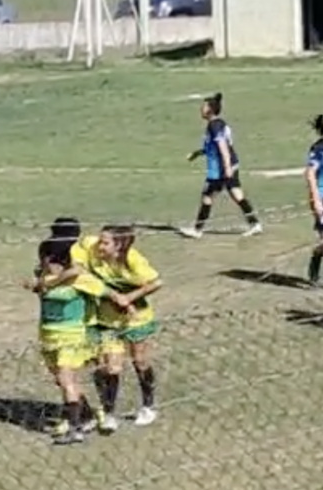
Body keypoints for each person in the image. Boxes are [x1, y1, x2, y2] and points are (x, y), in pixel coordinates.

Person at [25, 238, 115, 445]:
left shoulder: (80, 279)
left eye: (43, 258)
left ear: (51, 258)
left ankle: (75, 429)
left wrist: (124, 305)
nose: (41, 263)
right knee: (63, 381)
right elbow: (41, 289)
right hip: (48, 336)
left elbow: (107, 292)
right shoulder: (42, 277)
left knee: (66, 380)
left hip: (71, 336)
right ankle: (89, 415)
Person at [72, 226, 163, 431]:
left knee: (140, 361)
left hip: (136, 320)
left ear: (118, 246)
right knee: (111, 367)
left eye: (105, 243)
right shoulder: (90, 245)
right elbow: (76, 248)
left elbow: (156, 282)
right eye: (100, 240)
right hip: (106, 321)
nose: (99, 245)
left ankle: (148, 406)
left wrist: (129, 298)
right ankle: (109, 412)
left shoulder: (133, 259)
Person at [180, 92, 262, 239]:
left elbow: (222, 146)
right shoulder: (219, 124)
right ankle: (255, 224)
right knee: (237, 195)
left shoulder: (214, 126)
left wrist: (227, 167)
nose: (201, 110)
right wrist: (197, 153)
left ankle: (197, 230)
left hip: (220, 169)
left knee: (207, 197)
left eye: (203, 107)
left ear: (210, 110)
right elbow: (213, 146)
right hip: (230, 164)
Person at [304, 115, 323, 284]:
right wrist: (315, 200)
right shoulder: (318, 149)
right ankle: (315, 261)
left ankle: (317, 256)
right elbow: (310, 174)